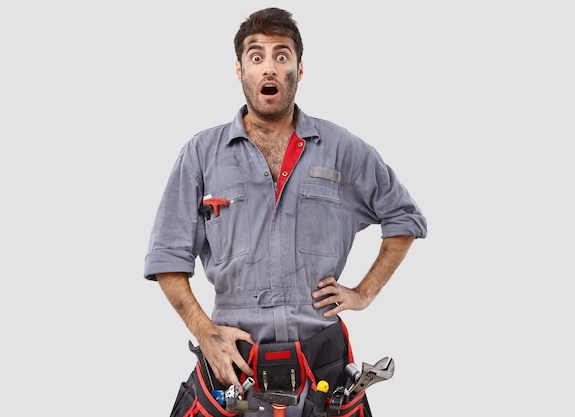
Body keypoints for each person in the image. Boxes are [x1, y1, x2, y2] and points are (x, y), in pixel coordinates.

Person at [144, 7, 427, 417]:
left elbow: (405, 219)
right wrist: (205, 333)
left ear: (299, 68)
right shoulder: (201, 155)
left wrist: (363, 293)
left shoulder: (342, 149)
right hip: (233, 367)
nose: (269, 68)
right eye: (256, 57)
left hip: (321, 364)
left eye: (282, 55)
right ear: (240, 70)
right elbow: (167, 258)